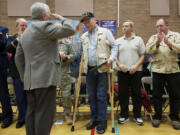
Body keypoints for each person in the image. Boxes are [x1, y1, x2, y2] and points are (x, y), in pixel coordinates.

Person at [15, 2, 76, 135]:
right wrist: (61, 18)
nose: (50, 16)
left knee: (32, 112)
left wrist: (24, 77)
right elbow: (70, 30)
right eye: (48, 13)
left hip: (30, 81)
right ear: (44, 16)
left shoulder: (25, 33)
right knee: (44, 114)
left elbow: (18, 58)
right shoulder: (45, 25)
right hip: (45, 80)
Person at [76, 12, 118, 134]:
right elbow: (78, 51)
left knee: (101, 96)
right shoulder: (83, 36)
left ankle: (102, 121)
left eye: (88, 21)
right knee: (91, 97)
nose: (86, 24)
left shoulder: (106, 32)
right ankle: (94, 119)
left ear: (95, 20)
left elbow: (115, 47)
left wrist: (111, 59)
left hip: (102, 69)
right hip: (89, 70)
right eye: (84, 23)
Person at [146, 18, 180, 130]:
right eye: (157, 26)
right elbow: (148, 50)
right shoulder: (153, 37)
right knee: (157, 95)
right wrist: (156, 43)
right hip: (158, 70)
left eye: (161, 26)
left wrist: (170, 44)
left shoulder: (176, 36)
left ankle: (174, 118)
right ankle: (157, 116)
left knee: (175, 95)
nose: (159, 28)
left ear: (167, 26)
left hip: (173, 70)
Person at [116, 20, 145, 125]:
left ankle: (137, 116)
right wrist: (120, 65)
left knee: (136, 94)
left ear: (132, 28)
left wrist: (136, 66)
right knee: (123, 94)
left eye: (126, 26)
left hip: (135, 72)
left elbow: (143, 55)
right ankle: (124, 115)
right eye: (123, 26)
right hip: (122, 72)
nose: (124, 28)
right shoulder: (118, 41)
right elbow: (114, 56)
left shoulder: (138, 40)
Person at [6, 18, 27, 128]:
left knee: (30, 97)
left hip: (29, 73)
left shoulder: (30, 38)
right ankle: (22, 118)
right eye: (22, 25)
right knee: (20, 97)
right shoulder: (12, 38)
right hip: (17, 73)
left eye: (25, 26)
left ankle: (30, 118)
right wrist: (18, 38)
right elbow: (8, 49)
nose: (24, 27)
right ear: (17, 26)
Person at [58, 36, 76, 125]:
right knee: (48, 96)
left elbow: (73, 55)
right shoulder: (47, 41)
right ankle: (48, 115)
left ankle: (67, 114)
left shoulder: (66, 42)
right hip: (49, 73)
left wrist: (66, 57)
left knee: (66, 95)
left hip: (64, 72)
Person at [0, 26, 13, 128]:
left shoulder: (3, 29)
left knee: (3, 94)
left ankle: (7, 116)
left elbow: (2, 44)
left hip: (1, 67)